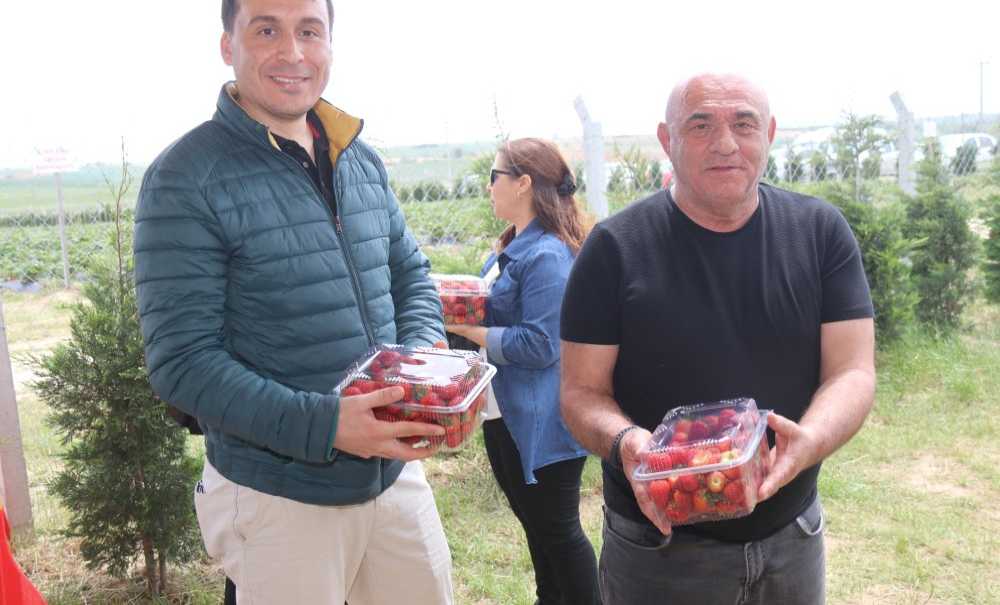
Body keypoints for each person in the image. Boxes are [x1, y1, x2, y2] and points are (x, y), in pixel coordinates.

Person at [133, 1, 454, 603]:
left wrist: (421, 358)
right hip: (278, 496)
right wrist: (328, 426)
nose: (293, 52)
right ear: (228, 45)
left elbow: (409, 274)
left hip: (393, 477)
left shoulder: (359, 160)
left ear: (331, 44)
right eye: (266, 30)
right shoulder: (186, 177)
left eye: (310, 31)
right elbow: (182, 363)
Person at [559, 73, 876, 604]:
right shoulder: (615, 248)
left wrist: (811, 441)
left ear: (769, 133)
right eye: (701, 125)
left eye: (744, 124)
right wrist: (629, 446)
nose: (726, 143)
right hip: (658, 547)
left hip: (792, 535)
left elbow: (853, 370)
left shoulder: (820, 232)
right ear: (667, 140)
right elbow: (580, 392)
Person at [446, 138, 601, 605]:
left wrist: (466, 329)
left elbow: (540, 345)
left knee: (558, 534)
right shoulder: (512, 247)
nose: (488, 187)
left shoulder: (547, 257)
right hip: (509, 417)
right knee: (540, 532)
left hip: (543, 424)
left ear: (524, 183)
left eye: (493, 176)